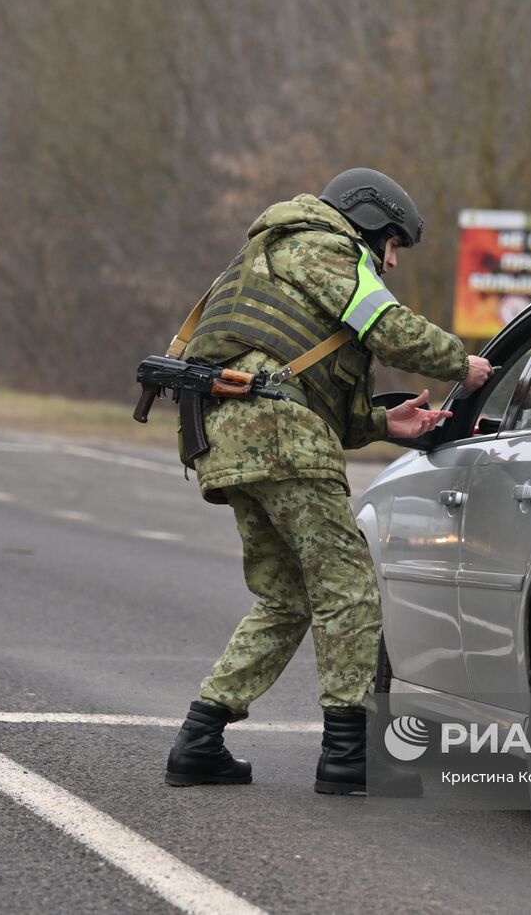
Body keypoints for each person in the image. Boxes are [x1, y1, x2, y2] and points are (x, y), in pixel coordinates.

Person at [164, 168, 493, 794]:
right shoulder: (323, 245)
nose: (391, 262)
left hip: (230, 442)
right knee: (350, 587)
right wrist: (462, 364)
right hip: (281, 439)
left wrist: (381, 423)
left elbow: (300, 387)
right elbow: (390, 328)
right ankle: (347, 754)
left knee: (287, 595)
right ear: (367, 220)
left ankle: (199, 738)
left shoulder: (267, 256)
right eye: (392, 244)